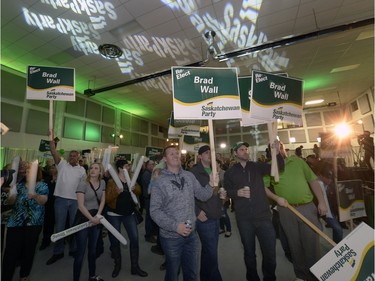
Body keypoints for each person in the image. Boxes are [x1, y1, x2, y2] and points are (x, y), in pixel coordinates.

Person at [265, 142, 328, 281]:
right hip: (286, 210)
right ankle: (301, 275)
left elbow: (313, 180)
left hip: (306, 207)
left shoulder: (298, 161)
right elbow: (264, 188)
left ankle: (315, 276)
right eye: (274, 147)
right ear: (270, 151)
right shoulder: (269, 167)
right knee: (294, 244)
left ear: (283, 148)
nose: (278, 149)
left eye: (279, 146)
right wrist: (276, 198)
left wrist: (322, 202)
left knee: (312, 244)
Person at [150, 145, 214, 281]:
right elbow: (154, 211)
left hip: (191, 235)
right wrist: (175, 226)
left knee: (191, 273)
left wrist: (211, 185)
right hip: (171, 237)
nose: (175, 155)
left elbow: (202, 195)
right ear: (165, 159)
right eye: (171, 154)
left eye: (177, 153)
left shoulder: (189, 176)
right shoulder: (159, 180)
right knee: (173, 274)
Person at [224, 141, 285, 281]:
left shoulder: (257, 166)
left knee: (270, 253)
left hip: (263, 216)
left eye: (246, 149)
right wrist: (236, 193)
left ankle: (269, 278)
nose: (245, 151)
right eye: (241, 149)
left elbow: (279, 168)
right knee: (249, 254)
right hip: (244, 219)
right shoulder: (230, 172)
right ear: (235, 153)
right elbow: (227, 191)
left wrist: (277, 152)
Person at [2, 161, 48, 281]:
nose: (27, 173)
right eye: (26, 171)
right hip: (15, 223)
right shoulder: (19, 185)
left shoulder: (42, 185)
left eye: (30, 171)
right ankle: (5, 277)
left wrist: (35, 196)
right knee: (10, 253)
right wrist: (12, 193)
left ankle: (24, 275)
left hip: (33, 224)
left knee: (28, 251)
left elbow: (43, 201)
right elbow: (11, 202)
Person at [47, 131, 86, 265]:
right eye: (71, 155)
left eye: (75, 156)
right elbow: (54, 153)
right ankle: (58, 252)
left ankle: (73, 249)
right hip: (61, 201)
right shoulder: (62, 165)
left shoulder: (82, 170)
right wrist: (52, 142)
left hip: (76, 202)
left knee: (74, 226)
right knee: (60, 227)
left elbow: (83, 187)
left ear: (78, 157)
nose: (72, 157)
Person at [105, 159, 148, 278]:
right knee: (115, 241)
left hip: (129, 214)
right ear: (119, 168)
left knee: (134, 239)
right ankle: (117, 265)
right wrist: (116, 193)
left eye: (128, 166)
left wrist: (135, 189)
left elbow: (139, 191)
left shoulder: (131, 178)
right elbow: (107, 199)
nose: (128, 167)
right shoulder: (112, 181)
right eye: (126, 166)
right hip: (114, 215)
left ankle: (135, 266)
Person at [189, 145, 223, 281]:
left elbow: (216, 190)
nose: (210, 154)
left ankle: (205, 277)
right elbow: (188, 194)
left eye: (211, 152)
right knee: (212, 252)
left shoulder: (215, 170)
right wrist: (197, 212)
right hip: (204, 216)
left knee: (208, 251)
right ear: (200, 156)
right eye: (207, 152)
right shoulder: (193, 172)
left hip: (216, 213)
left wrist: (222, 195)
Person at [74, 163, 106, 281]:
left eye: (96, 168)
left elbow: (102, 200)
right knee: (80, 253)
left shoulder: (102, 182)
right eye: (91, 168)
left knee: (92, 250)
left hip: (96, 218)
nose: (93, 170)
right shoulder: (83, 183)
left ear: (100, 172)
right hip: (83, 218)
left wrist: (97, 216)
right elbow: (81, 206)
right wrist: (92, 219)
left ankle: (92, 276)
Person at [317, 165, 343, 243]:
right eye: (327, 178)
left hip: (329, 210)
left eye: (331, 178)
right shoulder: (314, 184)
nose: (330, 180)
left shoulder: (332, 185)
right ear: (321, 176)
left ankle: (336, 247)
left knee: (338, 229)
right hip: (315, 209)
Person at [39, 164, 57, 250]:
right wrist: (52, 182)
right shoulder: (47, 179)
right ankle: (45, 241)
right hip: (49, 204)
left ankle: (61, 240)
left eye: (54, 168)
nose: (52, 169)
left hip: (59, 204)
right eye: (51, 168)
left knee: (60, 224)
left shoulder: (62, 179)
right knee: (48, 224)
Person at [140, 159, 158, 243]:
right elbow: (152, 186)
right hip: (148, 198)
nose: (152, 166)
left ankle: (152, 233)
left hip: (151, 198)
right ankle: (148, 235)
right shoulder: (146, 174)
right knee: (149, 218)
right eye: (151, 164)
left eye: (153, 164)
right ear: (147, 165)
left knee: (151, 217)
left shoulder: (150, 173)